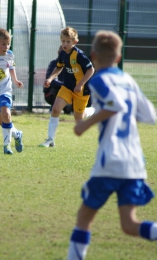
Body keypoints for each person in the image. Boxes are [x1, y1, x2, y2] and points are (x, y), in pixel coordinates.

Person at [67, 30, 157, 260]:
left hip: (111, 161)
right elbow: (150, 116)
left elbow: (114, 105)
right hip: (134, 163)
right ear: (118, 58)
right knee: (129, 225)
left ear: (93, 55)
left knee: (84, 218)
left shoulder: (98, 79)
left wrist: (83, 125)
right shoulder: (127, 80)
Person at [39, 26, 95, 147]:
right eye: (63, 41)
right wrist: (50, 78)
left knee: (78, 118)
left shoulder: (79, 55)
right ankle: (50, 140)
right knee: (55, 109)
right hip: (68, 87)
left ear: (75, 42)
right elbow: (59, 67)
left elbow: (91, 70)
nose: (65, 43)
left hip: (81, 89)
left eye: (68, 41)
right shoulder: (63, 54)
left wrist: (80, 84)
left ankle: (93, 110)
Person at [44, 45, 72, 114]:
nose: (64, 55)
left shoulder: (73, 65)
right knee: (59, 89)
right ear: (58, 53)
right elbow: (53, 82)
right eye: (62, 52)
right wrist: (66, 85)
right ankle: (53, 108)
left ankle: (70, 109)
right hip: (52, 93)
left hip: (69, 92)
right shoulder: (54, 64)